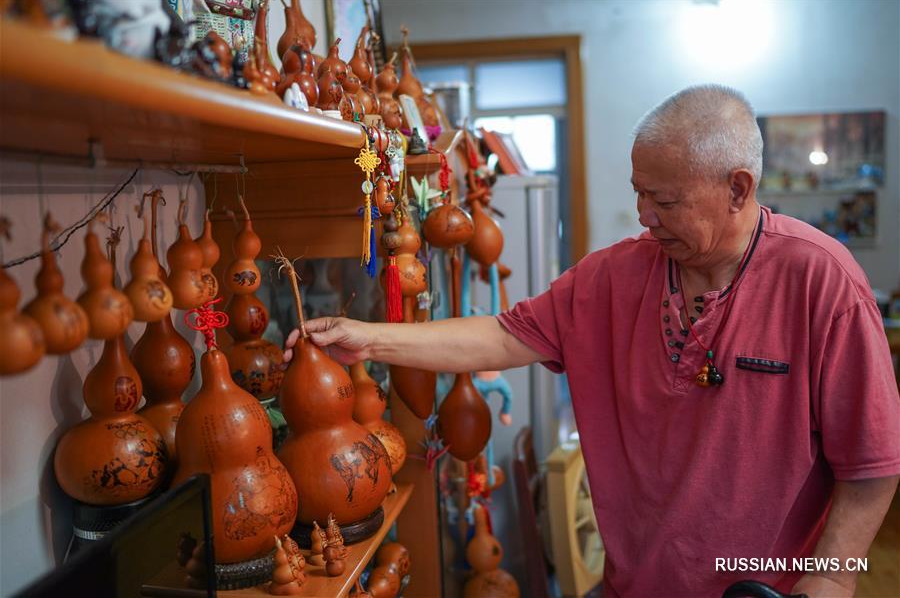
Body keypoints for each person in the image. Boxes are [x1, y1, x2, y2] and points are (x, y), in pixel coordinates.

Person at [284, 85, 900, 597]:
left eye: (664, 200)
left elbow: (871, 463)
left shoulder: (822, 281)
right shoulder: (612, 277)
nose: (644, 215)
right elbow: (501, 336)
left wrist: (833, 577)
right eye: (638, 192)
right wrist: (368, 338)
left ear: (738, 189)